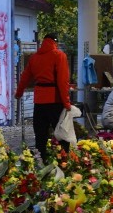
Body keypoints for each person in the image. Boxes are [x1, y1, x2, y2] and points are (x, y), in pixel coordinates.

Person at [15, 33, 72, 161]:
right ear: (55, 42)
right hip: (55, 100)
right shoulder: (59, 55)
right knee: (62, 133)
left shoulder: (34, 58)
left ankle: (41, 162)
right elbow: (63, 81)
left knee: (40, 135)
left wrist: (18, 93)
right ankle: (64, 162)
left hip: (39, 100)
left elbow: (24, 78)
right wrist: (67, 103)